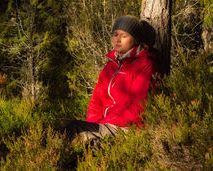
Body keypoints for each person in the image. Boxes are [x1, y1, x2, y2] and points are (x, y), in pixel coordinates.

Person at [64, 15, 158, 143]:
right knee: (71, 128)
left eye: (124, 36)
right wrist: (94, 124)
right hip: (106, 125)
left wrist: (104, 124)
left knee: (82, 138)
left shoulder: (145, 64)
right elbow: (96, 101)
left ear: (135, 40)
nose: (118, 40)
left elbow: (139, 107)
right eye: (115, 35)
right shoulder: (111, 66)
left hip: (127, 127)